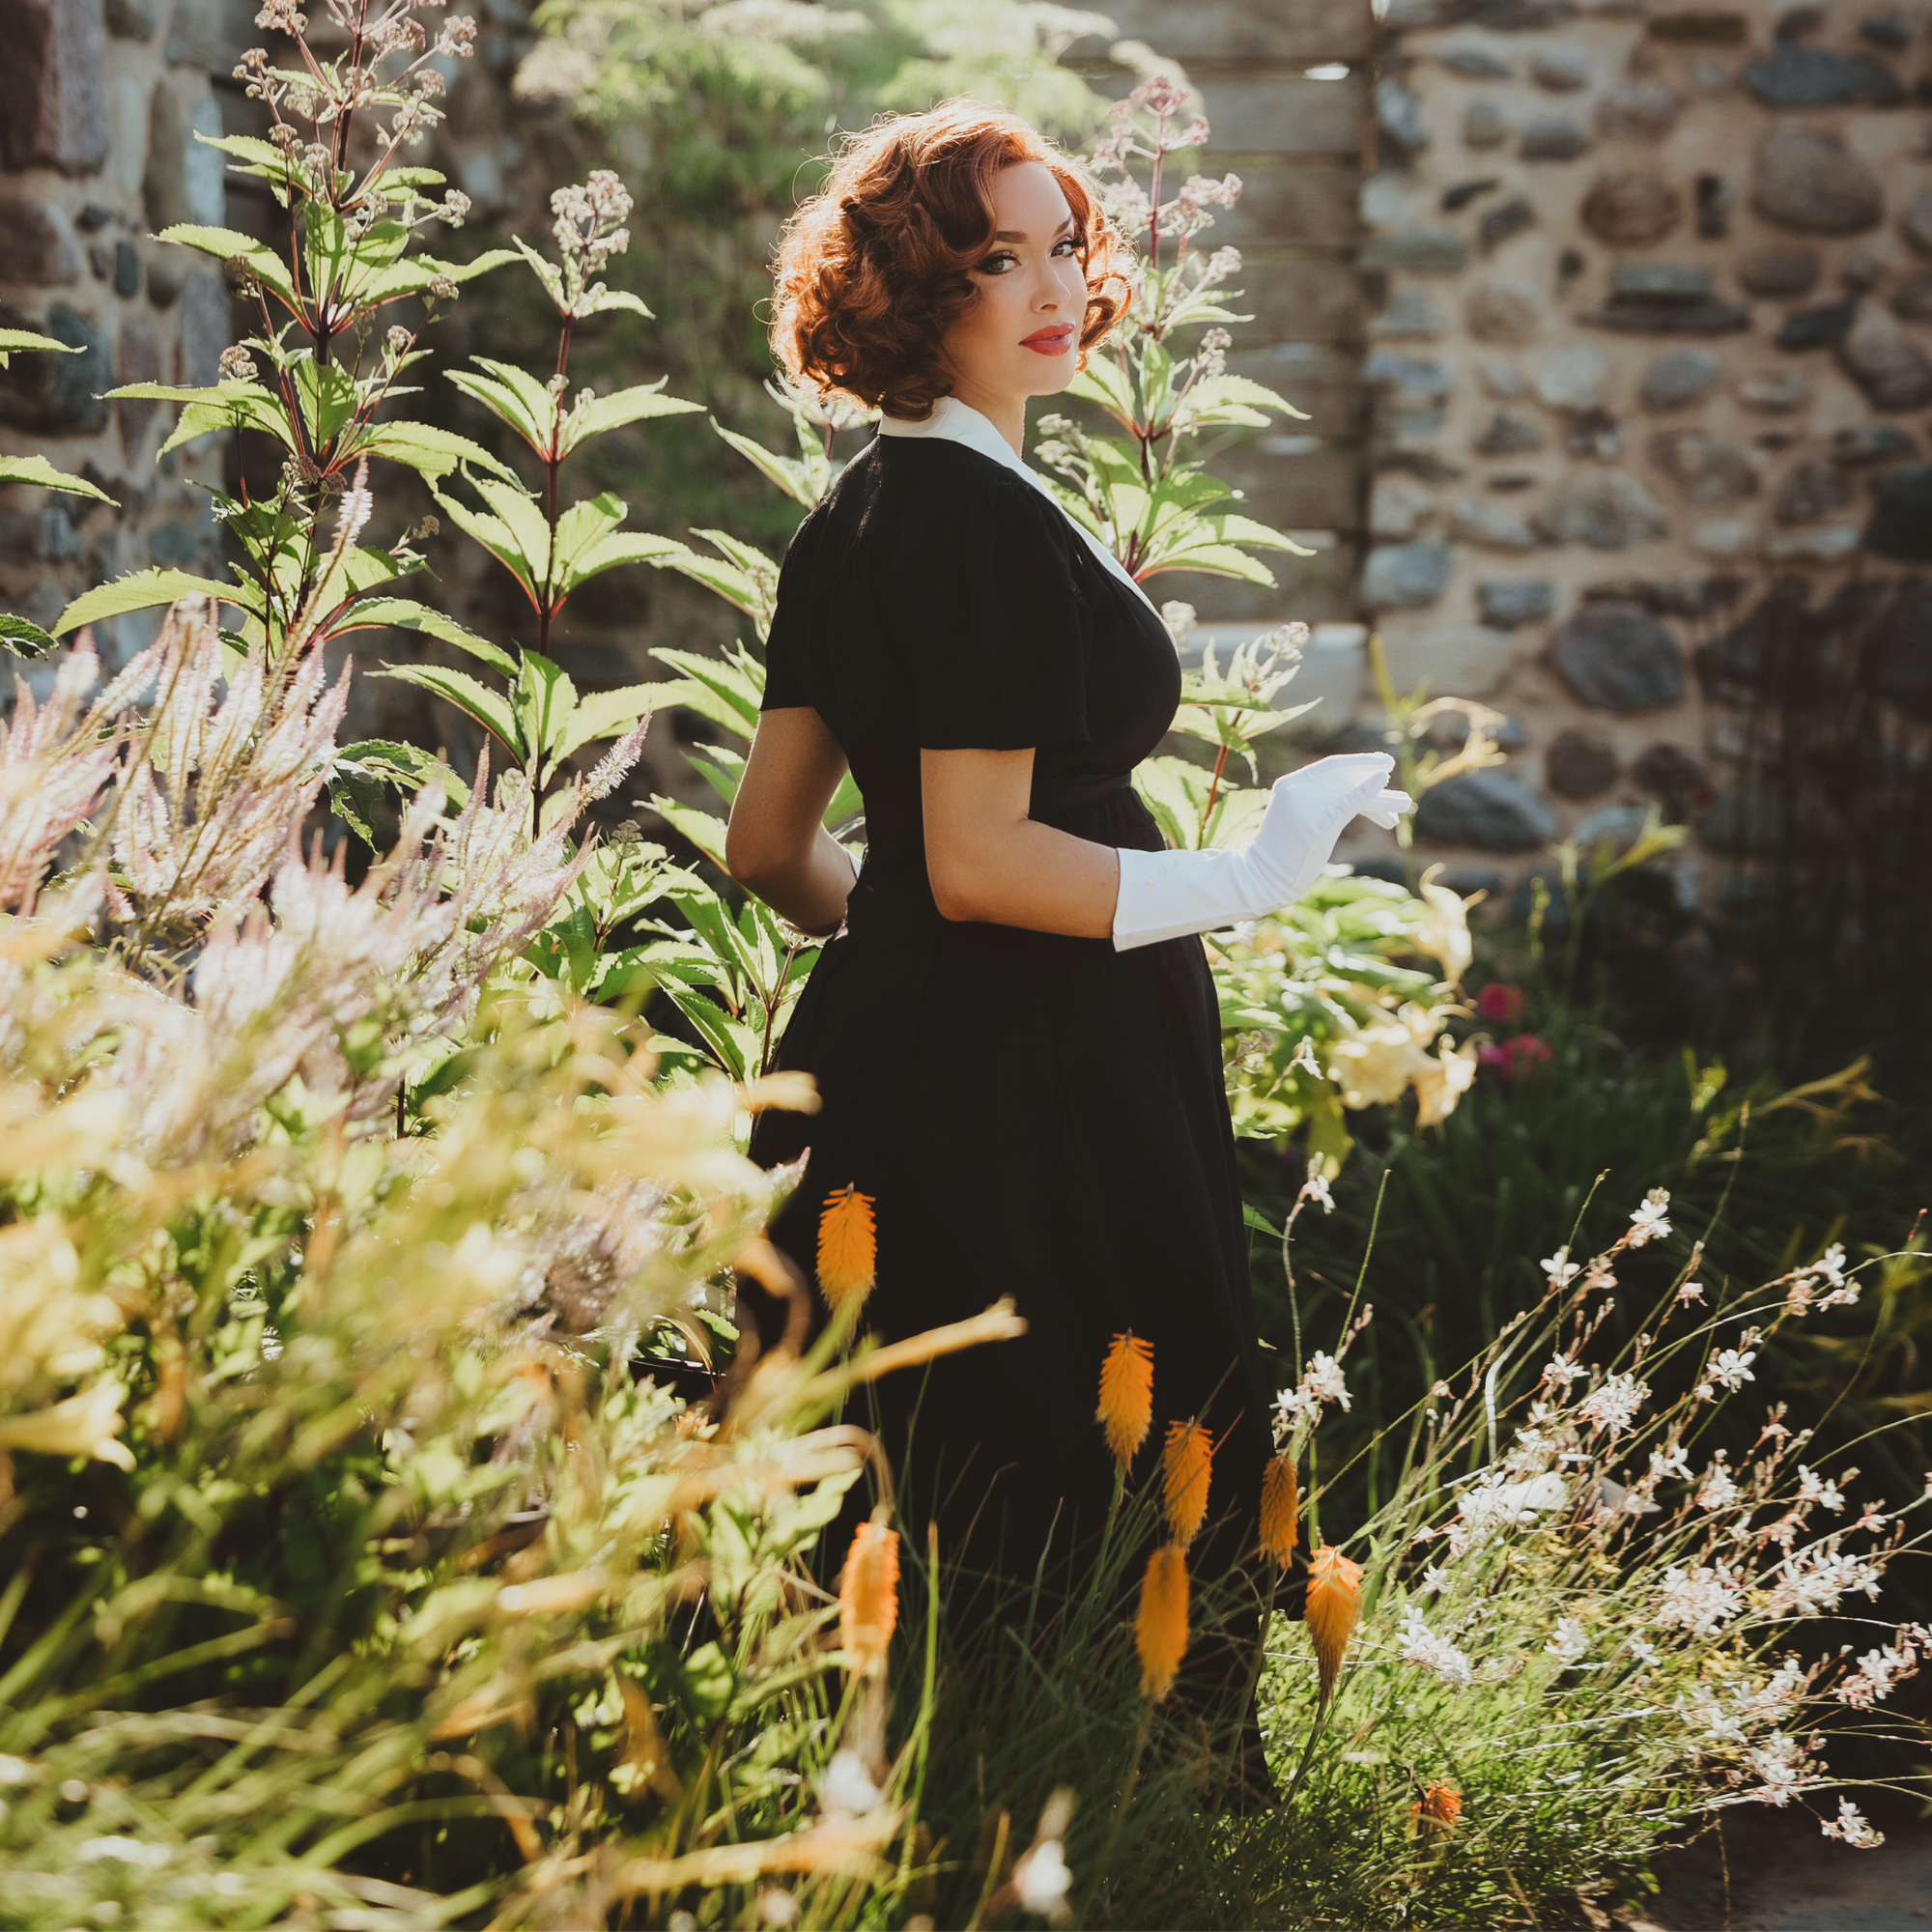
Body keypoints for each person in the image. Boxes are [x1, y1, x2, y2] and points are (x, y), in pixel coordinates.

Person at [724, 101, 1408, 1665]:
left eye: (1065, 247)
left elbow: (767, 847)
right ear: (910, 290)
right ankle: (1111, 1845)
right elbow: (974, 863)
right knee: (1079, 1469)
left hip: (891, 1057)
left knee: (898, 1479)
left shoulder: (854, 518)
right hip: (1041, 1078)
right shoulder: (975, 525)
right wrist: (1242, 874)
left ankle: (910, 1815)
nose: (1052, 288)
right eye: (994, 258)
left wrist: (893, 947)